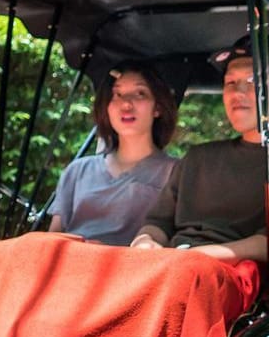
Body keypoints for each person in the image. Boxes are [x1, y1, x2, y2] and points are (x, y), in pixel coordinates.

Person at [132, 35, 269, 264]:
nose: (238, 92)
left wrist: (195, 257)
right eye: (230, 82)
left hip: (233, 273)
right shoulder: (198, 157)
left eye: (252, 81)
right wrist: (144, 243)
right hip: (173, 263)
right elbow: (158, 223)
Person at [45, 63, 179, 243]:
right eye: (117, 94)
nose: (126, 104)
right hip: (74, 264)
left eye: (140, 93)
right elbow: (52, 239)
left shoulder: (176, 172)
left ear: (158, 108)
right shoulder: (77, 171)